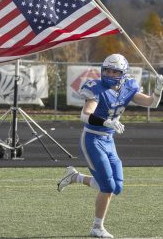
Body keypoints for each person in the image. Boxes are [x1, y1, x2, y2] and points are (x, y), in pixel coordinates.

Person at [57, 54, 163, 238]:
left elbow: (151, 103)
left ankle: (75, 177)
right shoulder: (96, 88)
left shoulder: (128, 87)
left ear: (123, 73)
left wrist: (158, 91)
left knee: (117, 187)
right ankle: (97, 227)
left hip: (108, 140)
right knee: (107, 186)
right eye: (107, 69)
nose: (109, 73)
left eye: (115, 71)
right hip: (93, 139)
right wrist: (107, 122)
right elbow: (85, 115)